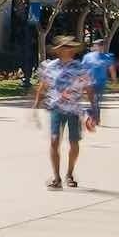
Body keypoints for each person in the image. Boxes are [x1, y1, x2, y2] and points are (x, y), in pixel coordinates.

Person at [34, 36, 93, 187]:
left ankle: (69, 174)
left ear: (72, 50)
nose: (65, 50)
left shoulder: (79, 67)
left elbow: (88, 87)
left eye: (68, 48)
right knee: (54, 141)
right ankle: (56, 178)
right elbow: (44, 85)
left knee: (74, 142)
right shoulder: (51, 66)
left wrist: (94, 108)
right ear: (58, 51)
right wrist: (36, 103)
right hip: (56, 109)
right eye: (62, 48)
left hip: (74, 110)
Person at [81, 38, 115, 131]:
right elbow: (83, 69)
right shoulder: (87, 57)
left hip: (101, 82)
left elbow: (111, 69)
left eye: (101, 45)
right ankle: (95, 117)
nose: (100, 47)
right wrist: (82, 81)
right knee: (93, 101)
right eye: (98, 45)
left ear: (103, 46)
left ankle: (95, 117)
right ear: (94, 46)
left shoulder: (107, 57)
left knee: (97, 101)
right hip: (89, 83)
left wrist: (114, 81)